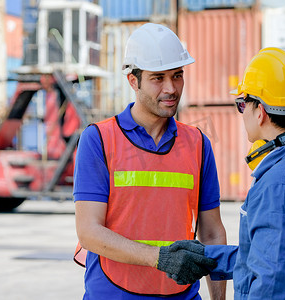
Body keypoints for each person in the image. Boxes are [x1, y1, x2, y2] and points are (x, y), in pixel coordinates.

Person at [169, 47, 285, 299]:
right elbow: (274, 255)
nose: (242, 113)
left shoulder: (280, 185)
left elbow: (274, 284)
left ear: (260, 112)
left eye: (242, 104)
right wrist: (209, 257)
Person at [73, 23, 227, 299]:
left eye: (177, 75)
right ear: (133, 80)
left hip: (181, 294)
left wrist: (219, 298)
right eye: (158, 78)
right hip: (113, 293)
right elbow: (89, 232)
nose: (171, 88)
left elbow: (213, 232)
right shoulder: (99, 140)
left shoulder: (199, 144)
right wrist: (160, 258)